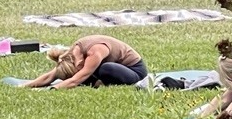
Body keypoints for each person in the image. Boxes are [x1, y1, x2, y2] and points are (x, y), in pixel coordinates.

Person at [19, 34, 147, 89]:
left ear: (78, 64)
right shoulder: (71, 55)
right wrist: (25, 85)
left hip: (134, 71)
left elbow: (76, 80)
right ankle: (98, 82)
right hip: (105, 71)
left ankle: (100, 82)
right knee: (87, 76)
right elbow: (51, 75)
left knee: (105, 69)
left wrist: (54, 89)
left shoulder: (94, 51)